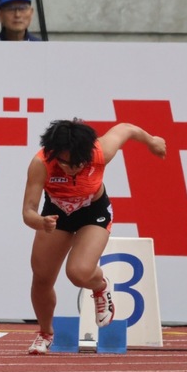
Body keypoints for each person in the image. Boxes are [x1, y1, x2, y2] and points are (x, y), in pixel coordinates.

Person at [22, 119, 166, 355]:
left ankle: (100, 286)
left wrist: (151, 141)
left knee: (78, 273)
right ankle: (45, 333)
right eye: (64, 162)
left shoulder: (101, 152)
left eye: (76, 164)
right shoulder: (41, 163)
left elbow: (126, 128)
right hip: (56, 216)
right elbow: (28, 212)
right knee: (41, 278)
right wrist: (41, 222)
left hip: (93, 212)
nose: (70, 169)